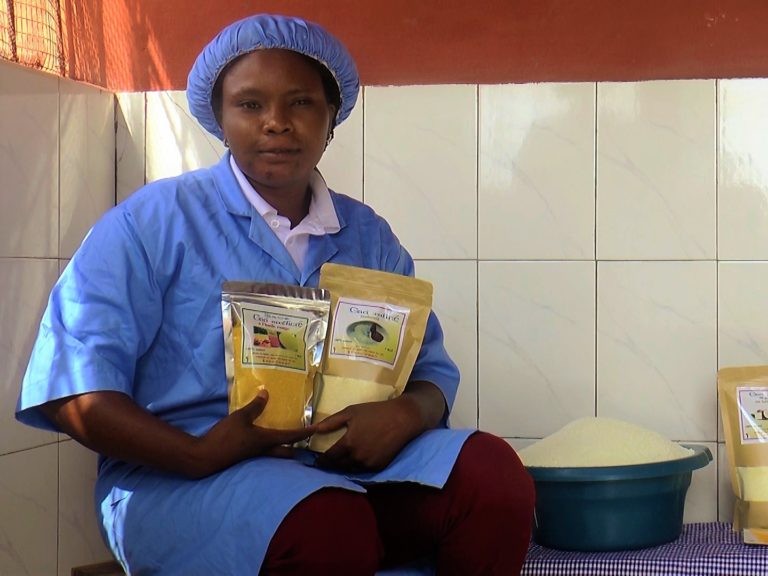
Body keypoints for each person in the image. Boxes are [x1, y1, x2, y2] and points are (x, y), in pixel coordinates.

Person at [16, 13, 535, 576]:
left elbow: (430, 371)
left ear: (332, 118)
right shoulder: (148, 226)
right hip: (185, 482)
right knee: (329, 527)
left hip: (345, 476)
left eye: (301, 103)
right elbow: (71, 391)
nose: (277, 124)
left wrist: (407, 413)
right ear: (219, 118)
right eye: (250, 104)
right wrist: (198, 452)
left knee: (493, 478)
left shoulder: (369, 238)